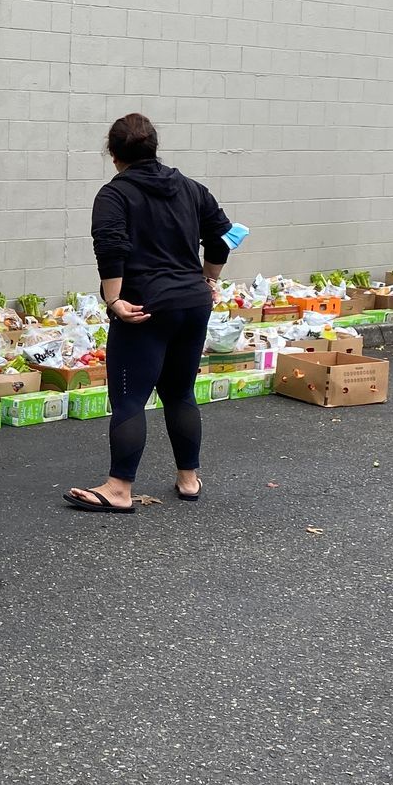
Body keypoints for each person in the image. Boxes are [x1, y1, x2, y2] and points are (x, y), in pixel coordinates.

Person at [65, 113, 233, 514]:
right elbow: (222, 236)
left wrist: (114, 299)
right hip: (192, 303)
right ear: (154, 147)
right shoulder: (191, 188)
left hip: (144, 307)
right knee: (180, 392)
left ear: (113, 154)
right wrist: (210, 279)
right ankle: (188, 479)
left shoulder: (115, 195)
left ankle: (119, 488)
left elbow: (110, 246)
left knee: (130, 399)